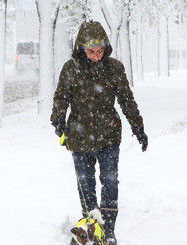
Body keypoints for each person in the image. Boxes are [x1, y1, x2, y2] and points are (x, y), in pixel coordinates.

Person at [50, 21, 148, 245]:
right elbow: (61, 97)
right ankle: (91, 226)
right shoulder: (71, 68)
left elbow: (126, 99)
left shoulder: (114, 68)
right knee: (85, 184)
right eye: (91, 51)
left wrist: (138, 127)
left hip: (108, 135)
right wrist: (58, 119)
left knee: (110, 181)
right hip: (79, 135)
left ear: (106, 48)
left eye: (100, 51)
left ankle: (109, 229)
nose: (96, 56)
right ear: (81, 48)